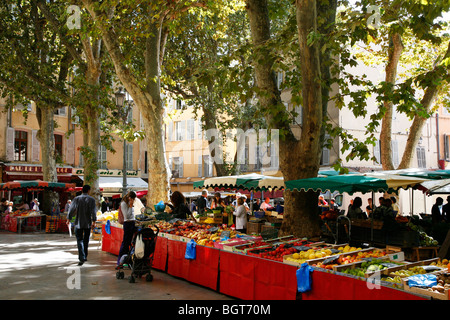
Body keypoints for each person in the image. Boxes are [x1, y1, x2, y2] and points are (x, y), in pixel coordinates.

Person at [67, 185, 97, 266]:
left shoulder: (76, 199)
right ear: (88, 191)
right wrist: (94, 221)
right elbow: (93, 212)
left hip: (78, 223)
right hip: (87, 223)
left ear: (82, 190)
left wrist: (68, 219)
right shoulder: (92, 200)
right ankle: (85, 256)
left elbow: (71, 209)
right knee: (86, 240)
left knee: (79, 240)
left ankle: (81, 257)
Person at [117, 191, 137, 268]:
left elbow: (131, 215)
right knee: (125, 242)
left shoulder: (128, 203)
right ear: (130, 198)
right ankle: (120, 261)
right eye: (133, 199)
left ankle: (127, 260)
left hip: (131, 223)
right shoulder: (124, 204)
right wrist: (131, 206)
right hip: (128, 224)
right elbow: (127, 216)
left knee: (129, 243)